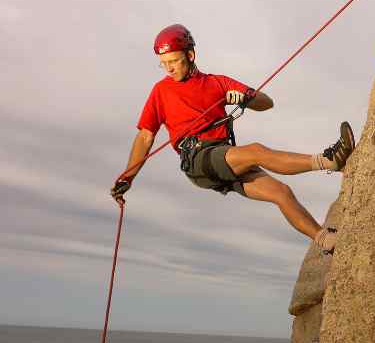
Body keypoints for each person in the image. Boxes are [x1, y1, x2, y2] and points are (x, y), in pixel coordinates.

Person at [110, 24, 354, 254]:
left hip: (222, 157)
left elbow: (266, 102)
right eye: (163, 64)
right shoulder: (161, 91)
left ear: (191, 55)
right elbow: (145, 137)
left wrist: (246, 98)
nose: (169, 68)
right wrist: (127, 177)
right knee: (256, 151)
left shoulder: (217, 83)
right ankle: (330, 161)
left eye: (174, 61)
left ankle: (328, 242)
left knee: (281, 192)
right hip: (198, 157)